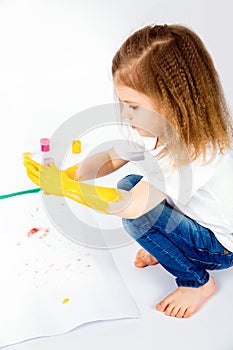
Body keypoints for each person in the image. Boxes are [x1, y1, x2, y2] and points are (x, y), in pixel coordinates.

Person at [24, 23, 233, 319]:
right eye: (123, 104)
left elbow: (133, 206)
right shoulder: (152, 124)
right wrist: (73, 174)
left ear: (173, 103)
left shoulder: (199, 152)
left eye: (132, 106)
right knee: (129, 181)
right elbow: (113, 156)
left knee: (138, 217)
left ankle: (196, 281)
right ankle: (168, 245)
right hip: (188, 216)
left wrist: (68, 189)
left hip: (219, 246)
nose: (125, 114)